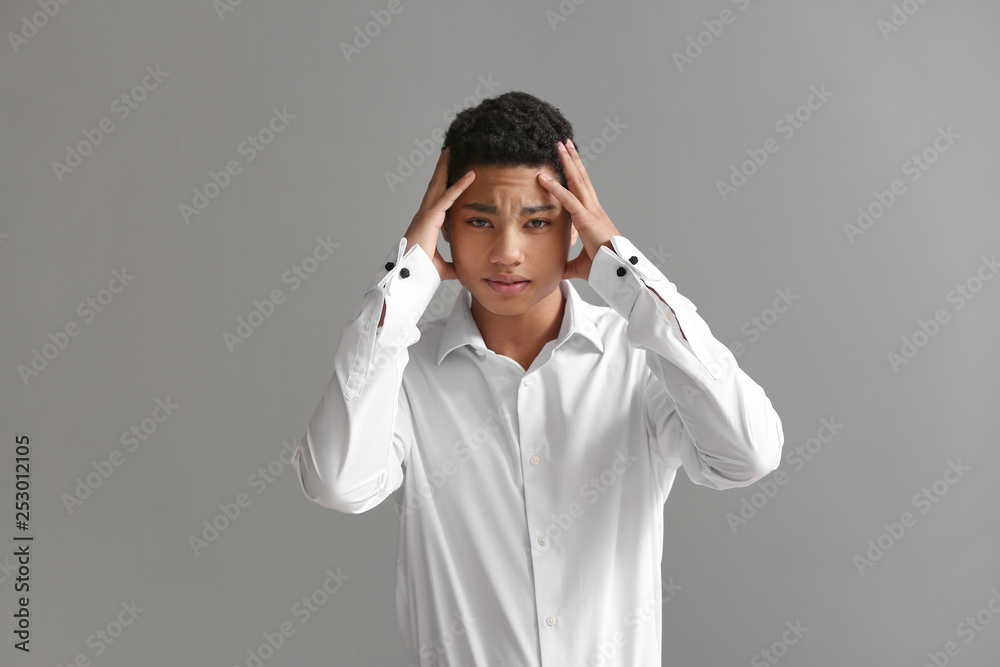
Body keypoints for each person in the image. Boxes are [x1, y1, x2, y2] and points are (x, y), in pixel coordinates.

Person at [291, 91, 785, 666]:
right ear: (443, 229)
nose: (507, 253)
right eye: (479, 220)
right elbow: (336, 483)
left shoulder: (640, 357)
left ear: (575, 229)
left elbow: (747, 455)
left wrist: (626, 274)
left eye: (537, 222)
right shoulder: (403, 372)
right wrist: (403, 280)